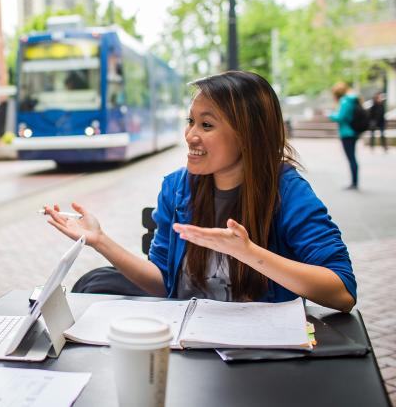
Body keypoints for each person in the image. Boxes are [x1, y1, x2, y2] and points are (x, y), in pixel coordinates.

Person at [44, 71, 356, 313]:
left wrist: (248, 253)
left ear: (248, 134)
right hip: (189, 345)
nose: (190, 135)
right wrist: (100, 241)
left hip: (260, 354)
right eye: (191, 121)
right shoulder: (177, 188)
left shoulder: (286, 190)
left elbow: (342, 292)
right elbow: (164, 282)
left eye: (206, 125)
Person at [328, 81, 360, 190]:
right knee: (352, 157)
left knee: (351, 158)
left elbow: (341, 117)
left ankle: (354, 182)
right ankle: (354, 181)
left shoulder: (345, 101)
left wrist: (330, 115)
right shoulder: (351, 100)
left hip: (347, 133)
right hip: (353, 132)